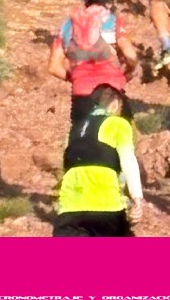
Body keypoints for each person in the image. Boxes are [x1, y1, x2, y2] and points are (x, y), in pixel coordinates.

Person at [53, 84, 143, 237]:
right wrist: (137, 198)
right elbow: (128, 161)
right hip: (105, 206)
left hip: (69, 207)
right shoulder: (118, 124)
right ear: (115, 105)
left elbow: (65, 165)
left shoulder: (74, 130)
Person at [47, 0, 137, 124]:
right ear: (108, 6)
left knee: (79, 137)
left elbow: (53, 67)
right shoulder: (113, 20)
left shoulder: (68, 25)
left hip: (81, 92)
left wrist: (76, 78)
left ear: (87, 6)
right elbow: (130, 55)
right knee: (124, 134)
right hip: (110, 90)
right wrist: (129, 71)